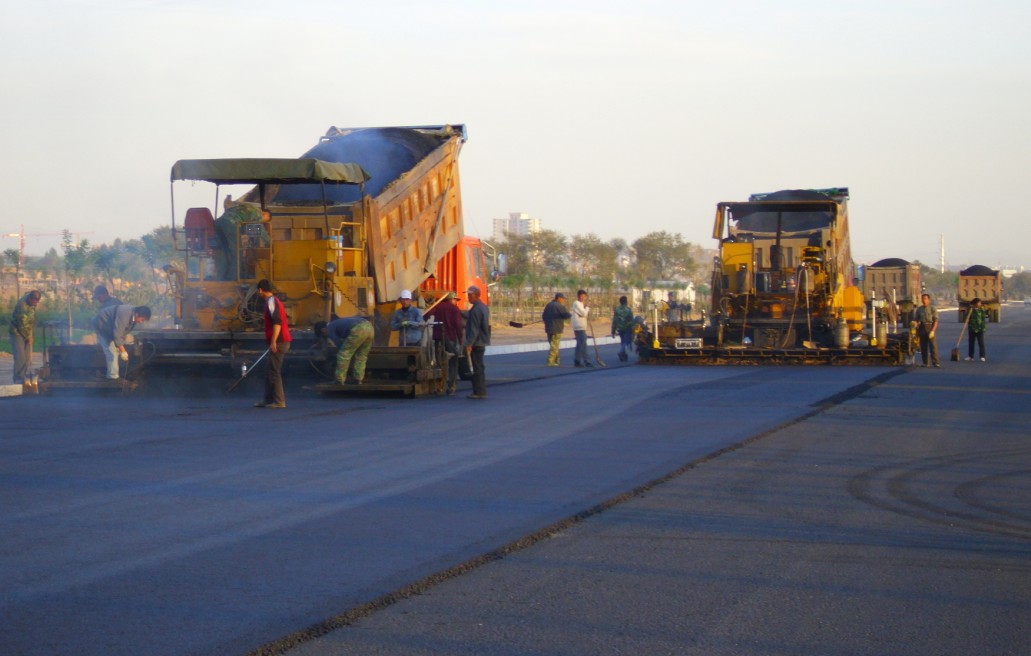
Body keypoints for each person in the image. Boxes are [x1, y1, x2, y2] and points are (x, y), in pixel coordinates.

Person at [254, 279, 292, 408]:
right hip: (280, 340)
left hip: (280, 341)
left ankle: (279, 401)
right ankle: (268, 399)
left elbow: (277, 323)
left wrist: (274, 341)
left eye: (258, 291)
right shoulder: (273, 301)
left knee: (274, 371)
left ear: (260, 290)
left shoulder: (271, 302)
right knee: (269, 370)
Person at [91, 304, 151, 380]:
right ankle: (113, 377)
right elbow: (117, 335)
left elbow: (123, 332)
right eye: (142, 319)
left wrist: (121, 346)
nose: (142, 322)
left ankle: (116, 372)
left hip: (111, 328)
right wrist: (122, 350)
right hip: (102, 325)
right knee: (112, 352)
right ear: (137, 314)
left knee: (118, 349)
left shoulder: (133, 318)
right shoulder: (125, 314)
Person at [423, 292, 464, 394]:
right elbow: (458, 325)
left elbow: (426, 315)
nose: (456, 302)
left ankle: (439, 387)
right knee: (452, 362)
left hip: (438, 339)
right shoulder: (455, 309)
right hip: (450, 338)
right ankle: (451, 386)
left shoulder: (437, 306)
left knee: (439, 362)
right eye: (455, 300)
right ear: (451, 299)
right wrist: (460, 338)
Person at [315, 316, 375, 384]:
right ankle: (358, 379)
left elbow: (338, 343)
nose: (325, 336)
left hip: (358, 329)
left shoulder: (329, 328)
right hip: (370, 327)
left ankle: (339, 380)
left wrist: (341, 351)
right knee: (361, 356)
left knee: (343, 354)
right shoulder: (336, 323)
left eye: (322, 335)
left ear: (323, 330)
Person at [9, 290, 42, 384]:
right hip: (17, 333)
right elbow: (22, 324)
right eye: (34, 301)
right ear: (30, 298)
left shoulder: (32, 303)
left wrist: (30, 335)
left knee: (27, 357)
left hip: (27, 332)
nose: (35, 304)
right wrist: (28, 337)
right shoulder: (22, 305)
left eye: (37, 302)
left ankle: (24, 377)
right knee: (20, 357)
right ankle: (18, 378)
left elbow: (30, 321)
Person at [464, 285, 490, 399]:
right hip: (482, 341)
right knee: (480, 366)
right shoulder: (483, 307)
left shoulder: (475, 310)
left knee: (477, 367)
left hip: (476, 342)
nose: (468, 297)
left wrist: (469, 343)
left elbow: (474, 329)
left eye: (470, 295)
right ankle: (481, 390)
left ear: (476, 295)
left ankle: (478, 392)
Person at [541, 292, 571, 366]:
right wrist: (570, 314)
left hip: (548, 328)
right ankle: (550, 361)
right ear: (559, 298)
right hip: (557, 328)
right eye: (562, 298)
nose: (563, 300)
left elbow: (544, 316)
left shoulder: (548, 305)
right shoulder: (559, 306)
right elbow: (566, 315)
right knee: (554, 346)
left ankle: (557, 361)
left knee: (553, 345)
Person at [912, 293, 940, 368]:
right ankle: (925, 362)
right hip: (922, 328)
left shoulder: (932, 309)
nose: (924, 301)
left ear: (929, 300)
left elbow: (936, 321)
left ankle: (936, 362)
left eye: (925, 299)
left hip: (930, 327)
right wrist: (915, 324)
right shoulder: (919, 309)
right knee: (923, 346)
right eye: (923, 299)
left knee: (933, 346)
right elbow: (916, 319)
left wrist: (933, 331)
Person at [611, 295, 635, 362]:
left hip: (619, 328)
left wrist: (613, 330)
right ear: (626, 302)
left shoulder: (617, 310)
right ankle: (621, 352)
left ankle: (623, 354)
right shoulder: (628, 310)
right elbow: (631, 320)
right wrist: (633, 328)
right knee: (626, 341)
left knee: (622, 341)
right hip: (627, 327)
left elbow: (614, 320)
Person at [571, 289, 591, 367]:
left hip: (582, 326)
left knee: (579, 344)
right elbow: (584, 313)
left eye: (584, 296)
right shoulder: (577, 303)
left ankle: (577, 360)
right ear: (578, 296)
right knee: (583, 344)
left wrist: (585, 307)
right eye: (581, 296)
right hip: (579, 327)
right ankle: (587, 361)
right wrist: (587, 308)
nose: (583, 298)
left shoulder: (581, 304)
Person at [965, 297, 988, 362]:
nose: (980, 304)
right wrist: (968, 315)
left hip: (980, 328)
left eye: (980, 303)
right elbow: (966, 318)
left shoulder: (982, 310)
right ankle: (970, 356)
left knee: (981, 343)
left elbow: (985, 316)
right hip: (972, 328)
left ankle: (982, 356)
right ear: (975, 303)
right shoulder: (970, 309)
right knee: (971, 342)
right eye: (979, 302)